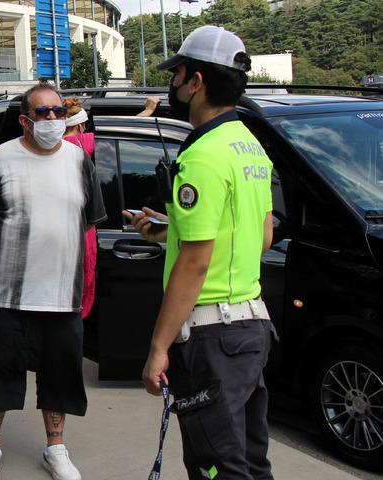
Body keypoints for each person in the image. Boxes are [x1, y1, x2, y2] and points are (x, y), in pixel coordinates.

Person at [124, 25, 276, 480]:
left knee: (215, 468)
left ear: (196, 81)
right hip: (251, 330)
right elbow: (261, 236)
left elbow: (196, 262)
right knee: (248, 463)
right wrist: (172, 234)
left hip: (212, 338)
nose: (172, 85)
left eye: (178, 75)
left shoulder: (203, 156)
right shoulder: (250, 146)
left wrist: (158, 348)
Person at [0, 82, 107, 480]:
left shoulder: (79, 161)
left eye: (58, 112)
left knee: (60, 374)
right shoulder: (0, 160)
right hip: (4, 293)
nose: (52, 120)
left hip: (61, 294)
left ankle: (55, 447)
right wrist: (0, 246)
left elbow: (88, 220)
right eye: (42, 113)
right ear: (25, 120)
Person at [62, 97, 98, 320]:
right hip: (82, 224)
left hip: (58, 224)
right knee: (84, 278)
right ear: (81, 125)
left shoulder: (48, 145)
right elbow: (117, 131)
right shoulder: (83, 143)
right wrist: (149, 111)